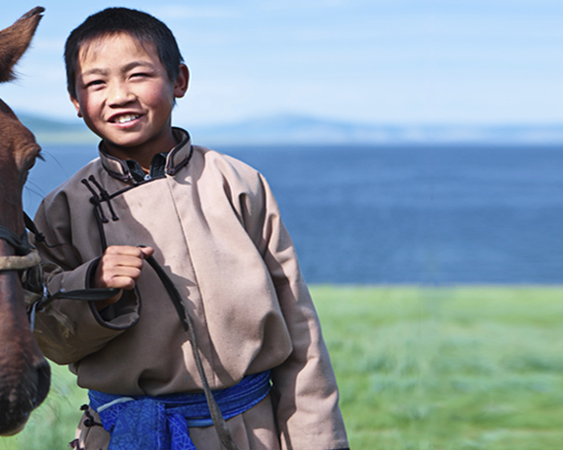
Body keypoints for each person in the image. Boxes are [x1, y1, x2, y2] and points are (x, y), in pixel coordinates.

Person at [30, 7, 349, 450]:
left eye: (138, 75)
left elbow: (299, 326)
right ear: (75, 101)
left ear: (179, 80)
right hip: (129, 435)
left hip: (253, 433)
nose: (119, 95)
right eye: (96, 83)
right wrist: (92, 286)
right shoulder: (63, 209)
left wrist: (318, 441)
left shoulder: (237, 183)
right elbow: (50, 339)